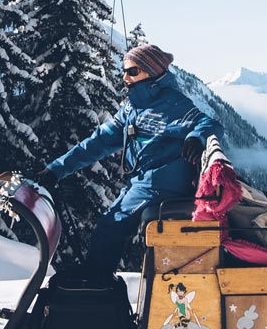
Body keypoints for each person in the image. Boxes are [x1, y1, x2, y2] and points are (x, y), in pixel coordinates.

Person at [36, 44, 222, 283]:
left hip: (162, 183)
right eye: (124, 71)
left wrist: (197, 137)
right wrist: (56, 169)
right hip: (142, 180)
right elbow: (99, 142)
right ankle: (96, 279)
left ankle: (96, 282)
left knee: (113, 224)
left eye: (132, 71)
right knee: (110, 220)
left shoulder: (173, 104)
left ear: (150, 71)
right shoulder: (132, 107)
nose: (125, 77)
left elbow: (210, 123)